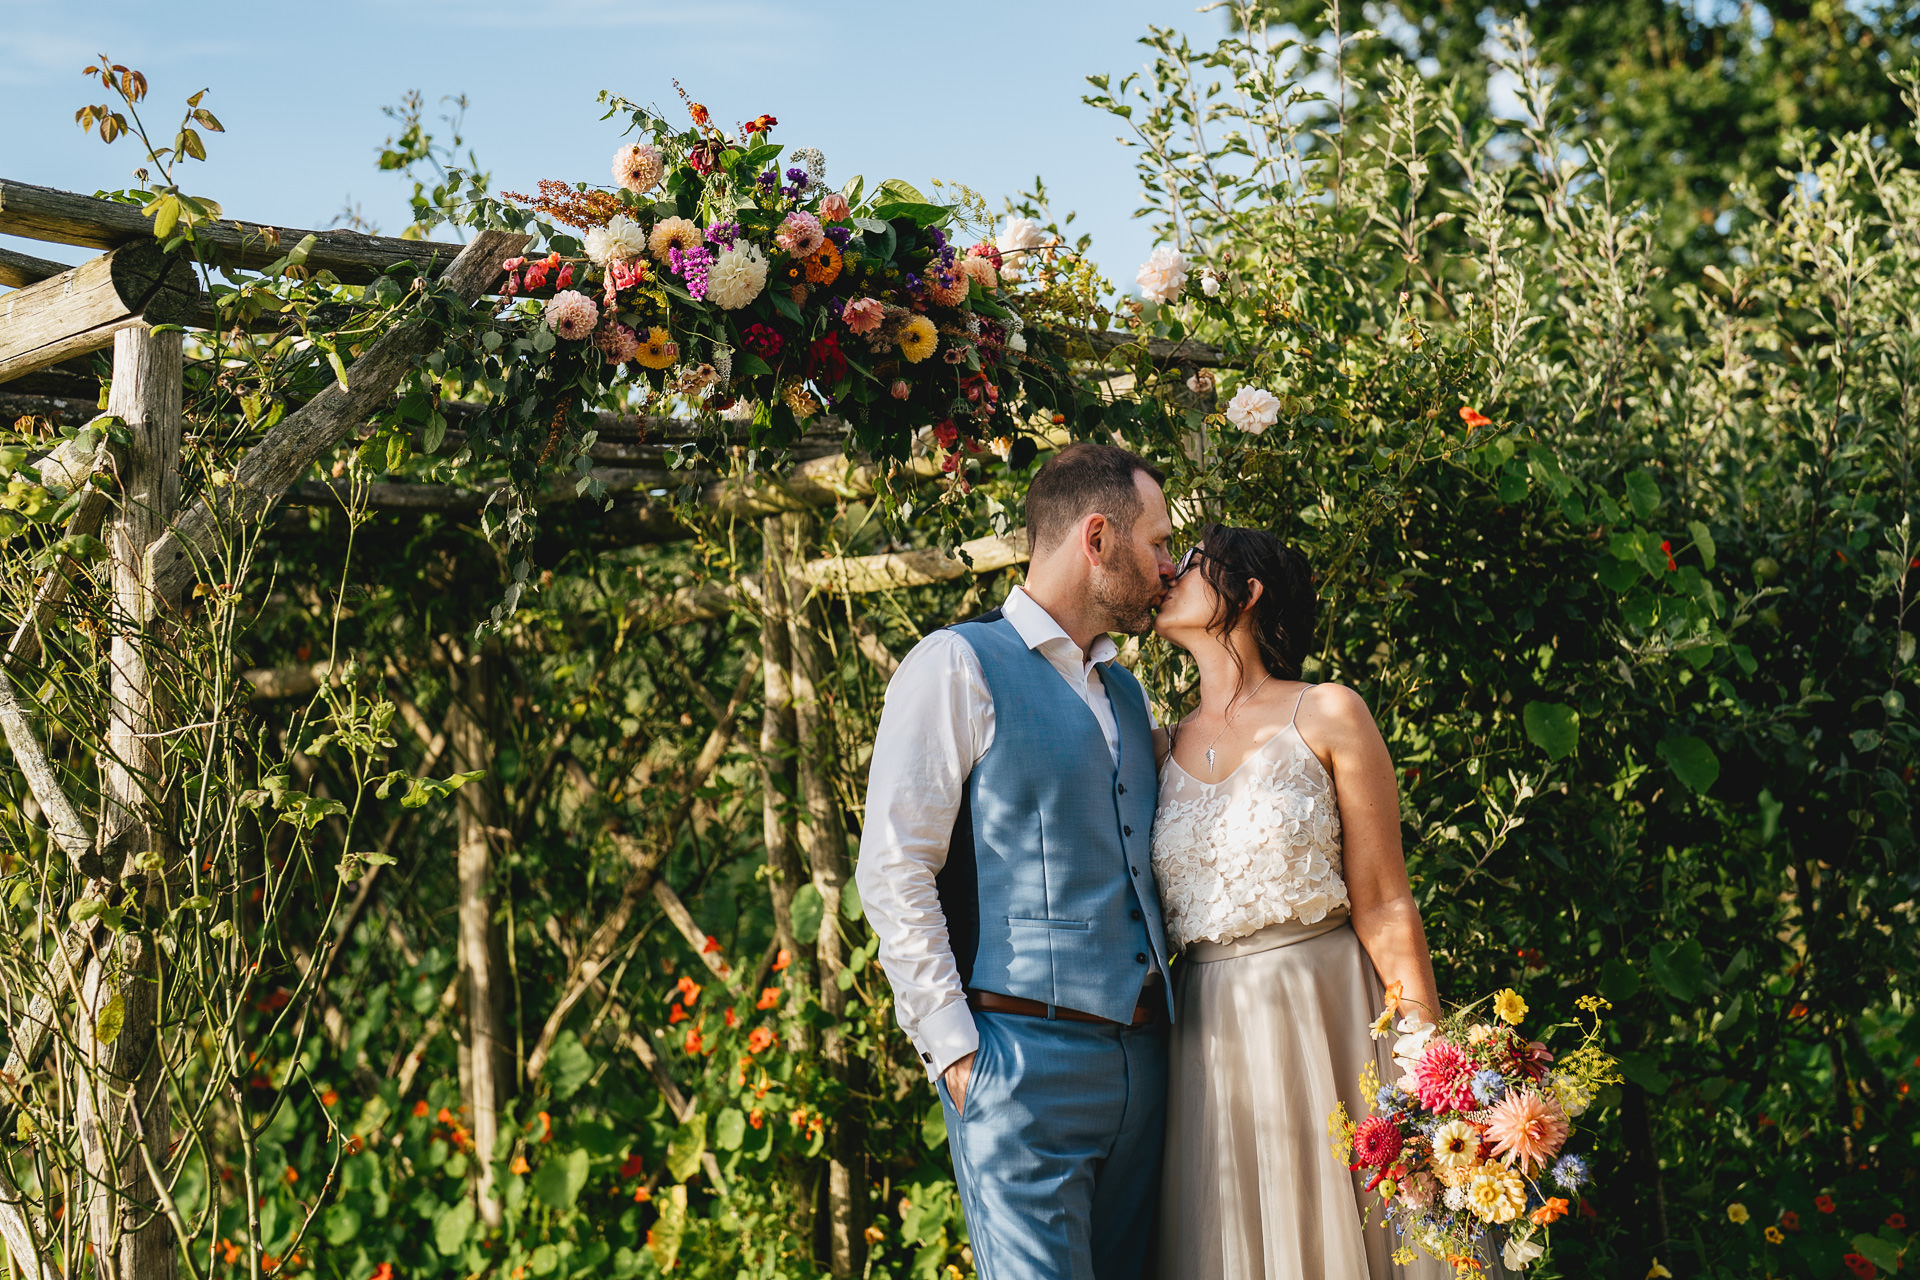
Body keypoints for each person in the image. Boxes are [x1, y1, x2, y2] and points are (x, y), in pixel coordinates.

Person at [856, 442, 1178, 1280]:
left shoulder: (1128, 694)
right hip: (1021, 1065)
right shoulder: (956, 665)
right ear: (1098, 538)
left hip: (1147, 1067)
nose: (1169, 568)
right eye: (1159, 544)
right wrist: (958, 1055)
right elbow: (894, 867)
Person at [1149, 521, 1451, 1279]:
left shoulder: (1327, 712)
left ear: (1247, 595)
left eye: (1191, 563)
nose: (1168, 573)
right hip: (1208, 1032)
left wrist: (1428, 1060)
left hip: (1330, 1011)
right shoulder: (1151, 744)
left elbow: (1384, 901)